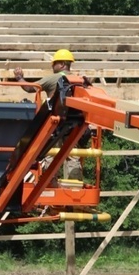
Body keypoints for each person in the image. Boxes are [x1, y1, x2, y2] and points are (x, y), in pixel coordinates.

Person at [11, 49, 85, 183]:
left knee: (51, 153)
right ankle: (75, 188)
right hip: (74, 124)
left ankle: (49, 185)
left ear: (62, 64)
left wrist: (19, 78)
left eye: (55, 63)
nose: (52, 66)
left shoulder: (54, 78)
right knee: (73, 156)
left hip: (55, 125)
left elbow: (30, 88)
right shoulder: (78, 80)